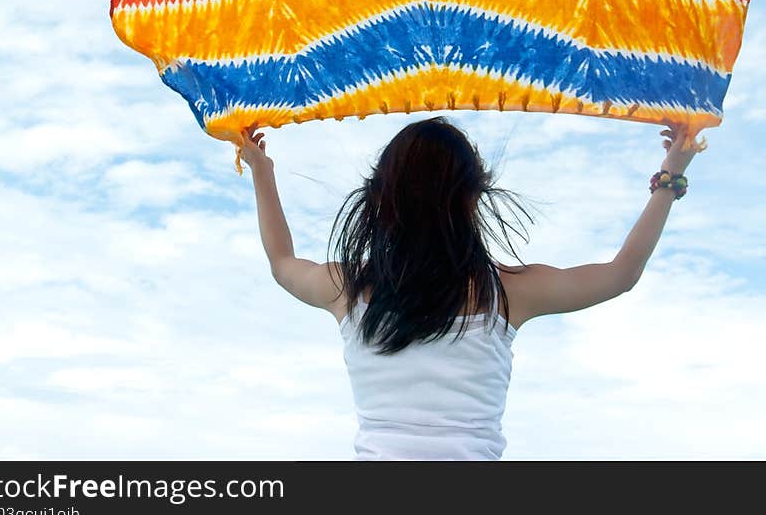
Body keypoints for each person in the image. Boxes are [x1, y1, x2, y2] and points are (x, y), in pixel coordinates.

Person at [238, 114, 701, 461]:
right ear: (473, 197)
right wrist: (670, 175)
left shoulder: (348, 287)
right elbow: (621, 274)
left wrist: (262, 169)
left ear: (380, 195)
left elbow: (282, 263)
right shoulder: (506, 292)